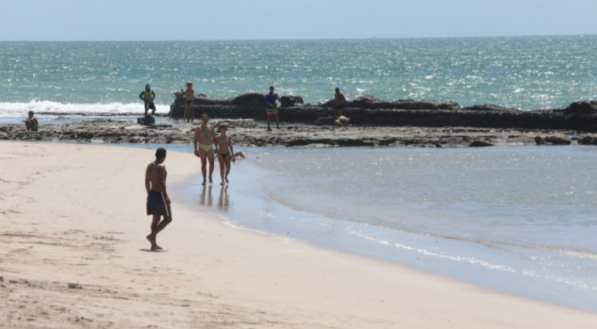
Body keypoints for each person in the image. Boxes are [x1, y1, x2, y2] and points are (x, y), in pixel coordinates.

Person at [145, 147, 172, 250]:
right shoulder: (161, 166)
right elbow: (161, 182)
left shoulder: (149, 166)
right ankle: (152, 236)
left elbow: (147, 181)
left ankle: (153, 244)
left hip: (152, 194)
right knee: (168, 218)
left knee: (155, 219)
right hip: (160, 194)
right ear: (164, 156)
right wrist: (165, 195)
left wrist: (149, 193)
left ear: (155, 154)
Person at [194, 114, 217, 185]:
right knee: (203, 163)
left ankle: (210, 176)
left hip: (210, 146)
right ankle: (204, 179)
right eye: (203, 119)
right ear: (201, 120)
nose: (205, 120)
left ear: (208, 120)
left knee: (212, 163)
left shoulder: (211, 127)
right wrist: (195, 149)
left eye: (206, 119)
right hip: (202, 147)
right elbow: (195, 138)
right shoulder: (198, 128)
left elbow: (214, 137)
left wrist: (216, 147)